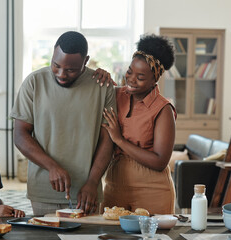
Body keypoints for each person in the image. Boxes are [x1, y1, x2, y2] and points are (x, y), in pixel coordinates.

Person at [10, 31, 116, 216]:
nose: (61, 74)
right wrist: (52, 166)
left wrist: (92, 181)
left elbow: (107, 139)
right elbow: (20, 135)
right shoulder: (34, 82)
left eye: (71, 70)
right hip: (43, 191)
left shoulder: (102, 86)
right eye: (56, 65)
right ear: (52, 53)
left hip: (87, 192)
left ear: (86, 60)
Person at [100, 34, 177, 214]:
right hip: (114, 186)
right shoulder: (116, 95)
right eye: (129, 71)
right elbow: (87, 90)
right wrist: (98, 75)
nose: (131, 79)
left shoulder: (163, 109)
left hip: (153, 191)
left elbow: (160, 161)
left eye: (140, 76)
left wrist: (119, 140)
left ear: (154, 80)